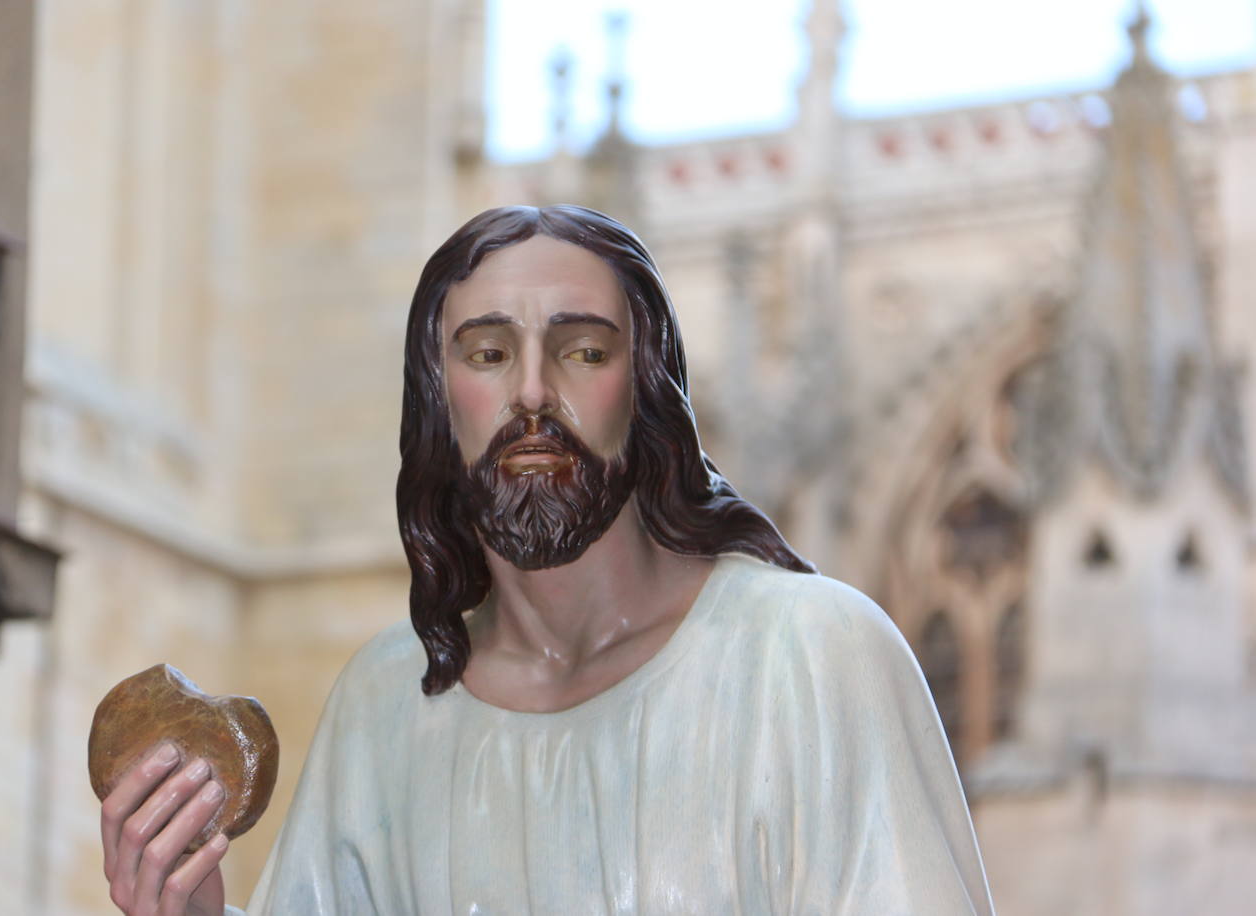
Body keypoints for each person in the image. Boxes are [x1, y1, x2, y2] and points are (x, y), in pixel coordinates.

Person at [99, 205, 995, 915]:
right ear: (438, 403)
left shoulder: (813, 658)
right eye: (488, 353)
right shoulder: (389, 707)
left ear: (644, 394)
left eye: (582, 351)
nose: (533, 391)